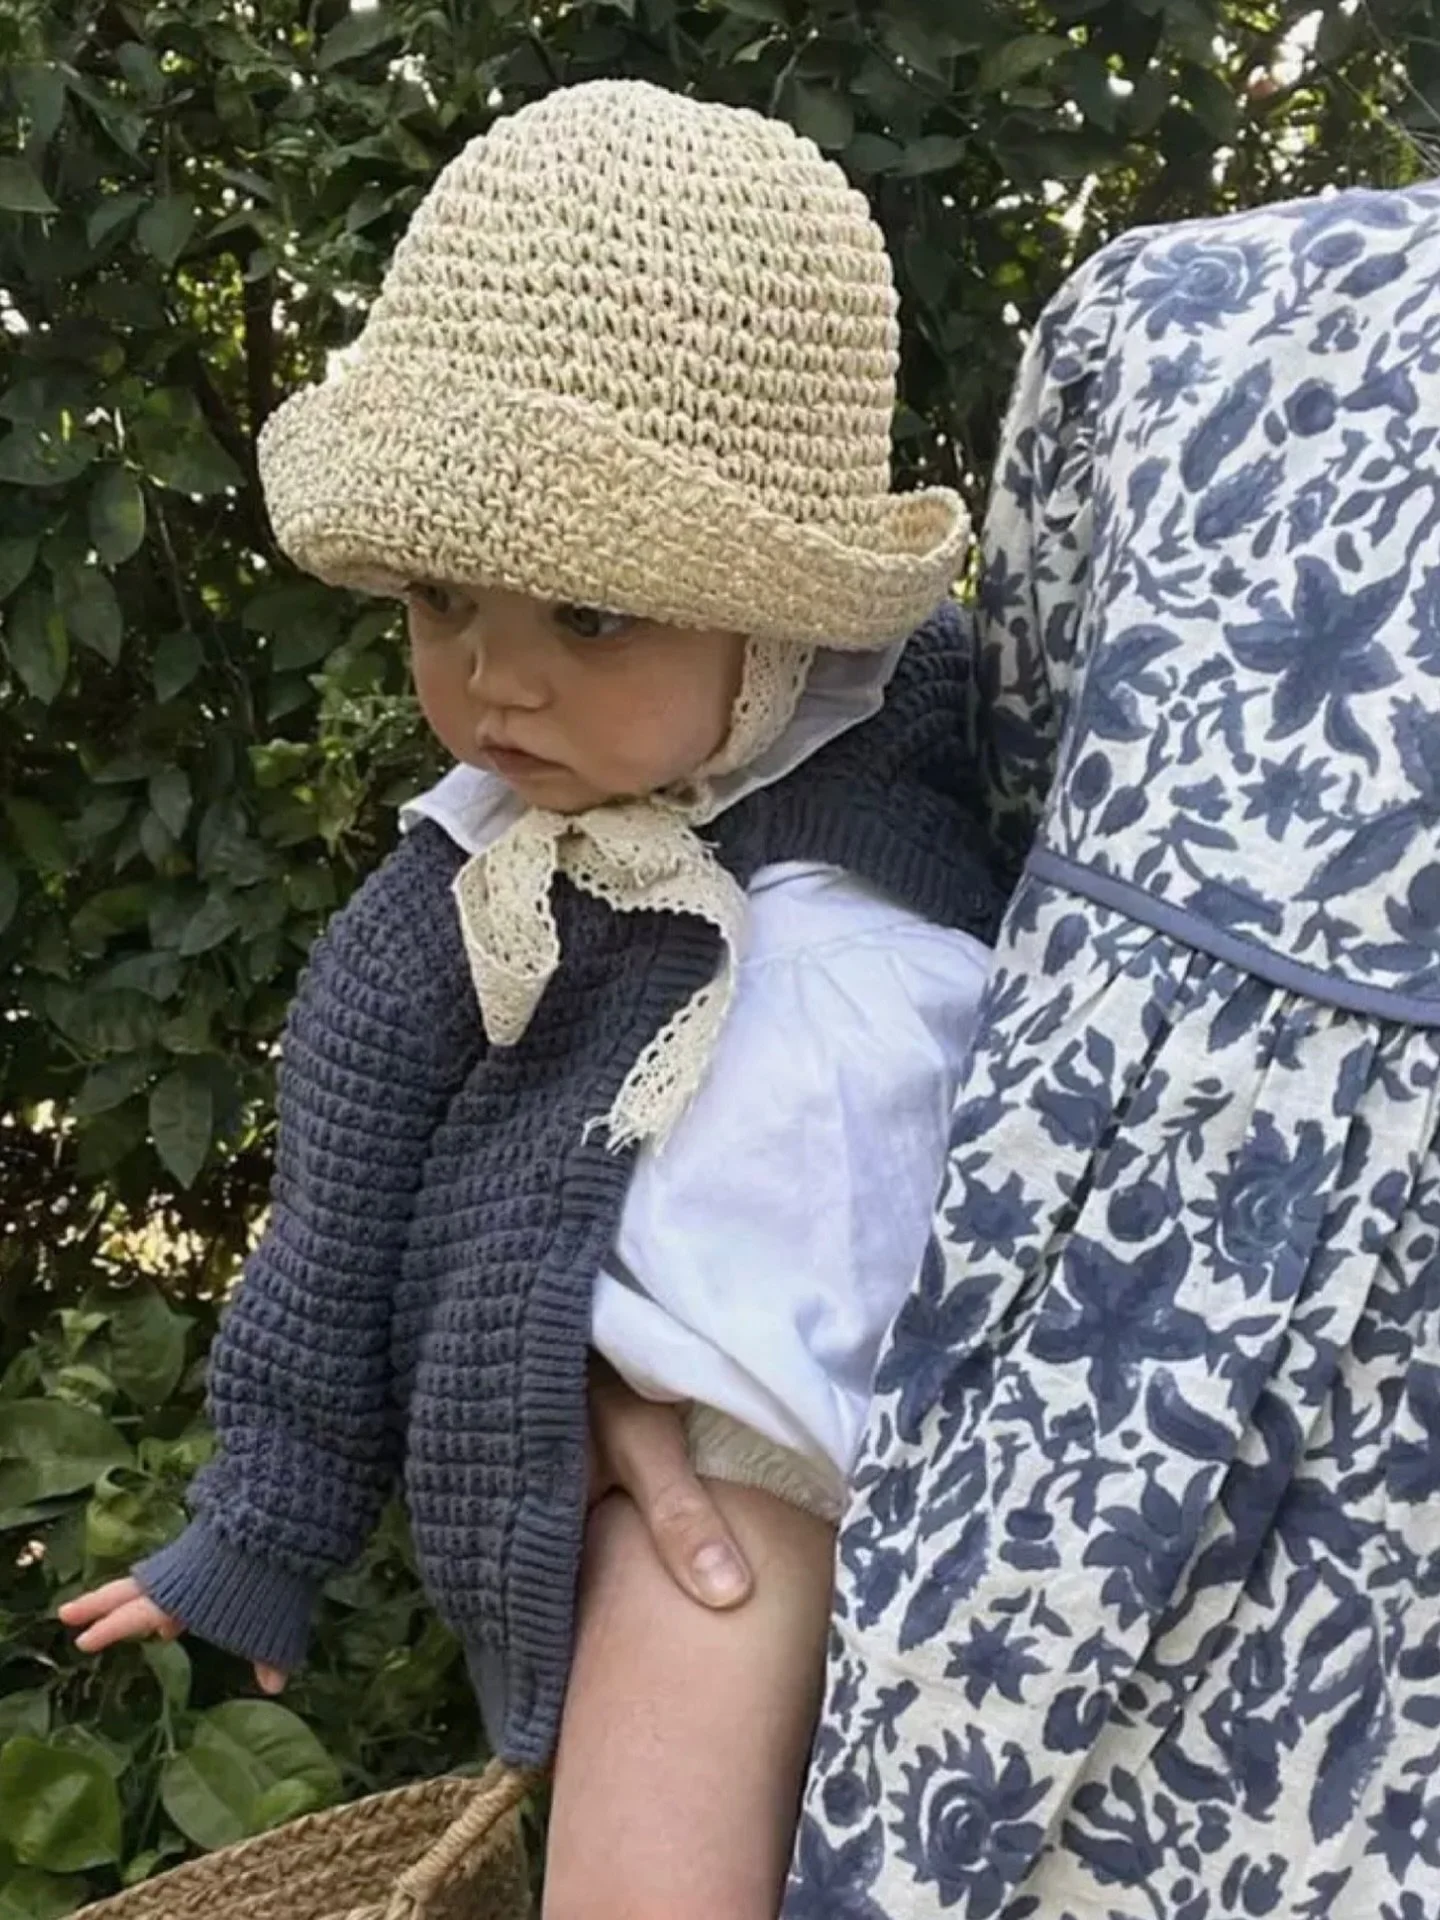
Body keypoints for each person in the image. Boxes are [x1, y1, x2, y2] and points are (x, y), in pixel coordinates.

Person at [57, 81, 1006, 1920]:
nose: (495, 680)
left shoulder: (934, 761)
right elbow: (336, 1224)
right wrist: (265, 1515)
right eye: (438, 600)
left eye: (589, 614)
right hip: (717, 1458)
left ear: (780, 620)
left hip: (1003, 1445)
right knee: (663, 1832)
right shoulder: (474, 895)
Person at [765, 179, 1440, 1915]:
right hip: (1032, 1574)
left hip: (1059, 1562)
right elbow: (970, 831)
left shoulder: (1197, 312)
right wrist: (646, 1326)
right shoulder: (1189, 318)